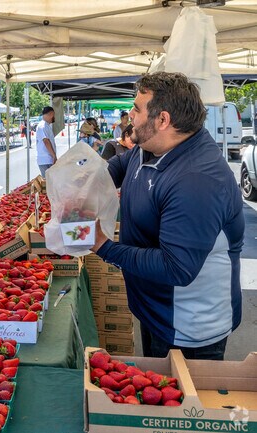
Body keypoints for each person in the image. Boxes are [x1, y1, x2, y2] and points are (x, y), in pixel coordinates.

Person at [91, 72, 244, 360]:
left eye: (137, 109)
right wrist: (90, 188)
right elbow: (122, 165)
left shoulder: (197, 180)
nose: (130, 115)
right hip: (155, 310)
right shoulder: (151, 145)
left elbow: (176, 268)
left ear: (162, 120)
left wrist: (104, 247)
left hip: (188, 327)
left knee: (185, 403)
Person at [36, 106, 57, 176]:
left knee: (51, 181)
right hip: (45, 159)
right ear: (51, 114)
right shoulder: (42, 126)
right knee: (48, 182)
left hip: (48, 159)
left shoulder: (46, 125)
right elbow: (46, 141)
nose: (54, 117)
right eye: (53, 115)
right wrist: (54, 155)